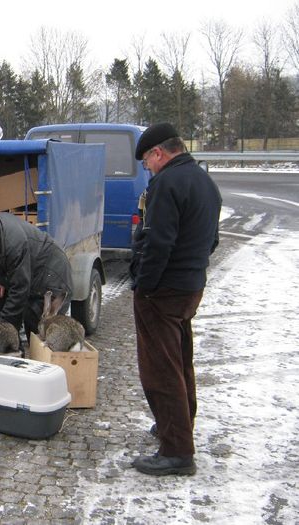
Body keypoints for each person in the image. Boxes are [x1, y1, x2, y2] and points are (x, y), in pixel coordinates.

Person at [130, 122, 222, 476]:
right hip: (189, 285)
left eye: (146, 161)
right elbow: (211, 239)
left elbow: (157, 243)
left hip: (163, 291)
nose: (147, 168)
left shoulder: (167, 183)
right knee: (181, 360)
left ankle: (177, 451)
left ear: (158, 153)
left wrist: (145, 285)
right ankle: (178, 425)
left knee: (160, 370)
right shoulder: (204, 181)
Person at [0, 209, 74, 342]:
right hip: (28, 269)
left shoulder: (13, 243)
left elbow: (20, 288)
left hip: (50, 273)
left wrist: (3, 322)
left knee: (37, 327)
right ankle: (5, 350)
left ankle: (36, 359)